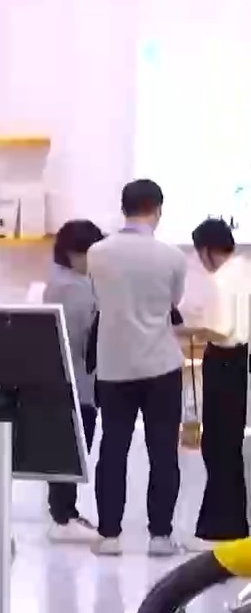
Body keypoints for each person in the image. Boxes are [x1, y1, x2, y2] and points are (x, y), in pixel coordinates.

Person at [85, 179, 187, 557]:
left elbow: (98, 298)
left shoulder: (97, 253)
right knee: (163, 452)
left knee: (113, 450)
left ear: (123, 208)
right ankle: (160, 536)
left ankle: (109, 534)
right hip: (161, 365)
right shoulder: (173, 257)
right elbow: (172, 302)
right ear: (157, 210)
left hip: (114, 367)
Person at [187, 218, 251, 542]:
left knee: (216, 444)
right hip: (240, 362)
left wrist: (189, 328)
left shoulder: (220, 281)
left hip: (222, 362)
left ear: (207, 250)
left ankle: (219, 526)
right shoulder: (244, 270)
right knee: (229, 444)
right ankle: (233, 523)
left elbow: (220, 329)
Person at [43, 219, 105, 543]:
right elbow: (82, 340)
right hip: (76, 383)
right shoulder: (74, 288)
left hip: (71, 382)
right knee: (71, 450)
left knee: (68, 450)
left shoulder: (64, 282)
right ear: (73, 253)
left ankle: (65, 513)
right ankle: (63, 517)